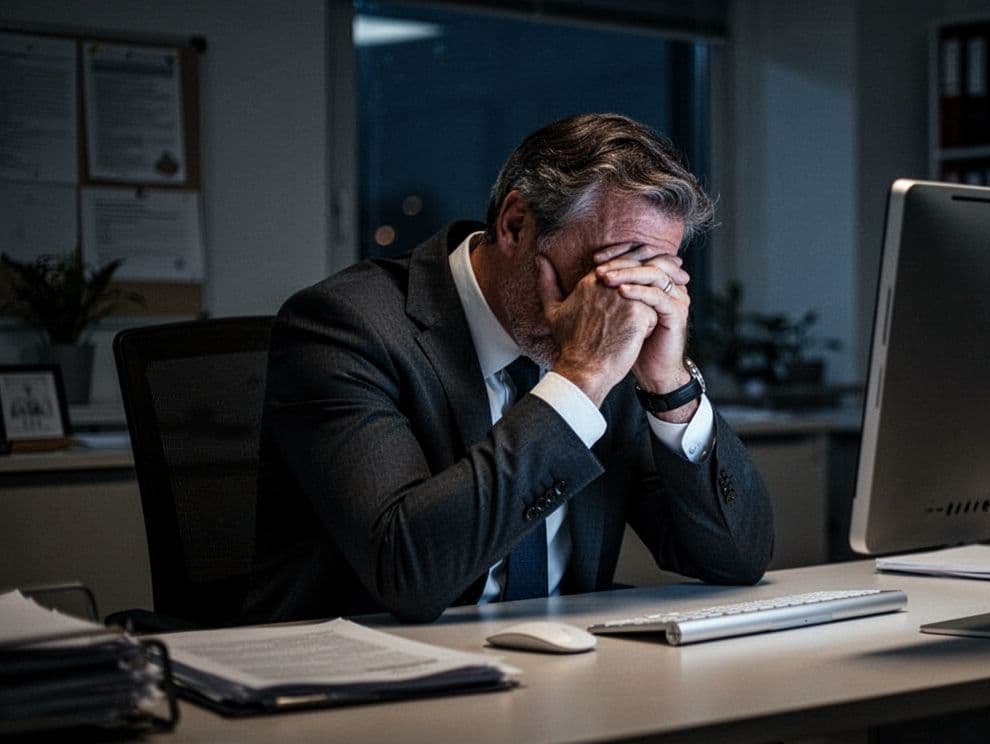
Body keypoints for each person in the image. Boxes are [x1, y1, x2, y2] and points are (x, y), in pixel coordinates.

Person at [244, 113, 775, 623]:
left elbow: (738, 559)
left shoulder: (621, 336)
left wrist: (671, 388)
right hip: (369, 667)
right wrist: (581, 378)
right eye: (612, 266)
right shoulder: (344, 326)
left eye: (651, 274)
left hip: (562, 664)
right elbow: (406, 570)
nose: (627, 300)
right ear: (516, 225)